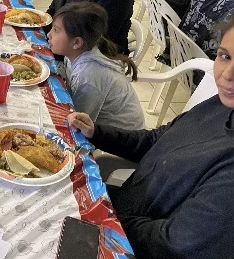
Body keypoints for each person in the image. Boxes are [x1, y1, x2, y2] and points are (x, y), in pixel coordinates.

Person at [68, 18, 234, 258]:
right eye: (225, 56)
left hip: (128, 243)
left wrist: (100, 219)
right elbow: (157, 140)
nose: (227, 74)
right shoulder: (221, 104)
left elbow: (174, 244)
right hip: (120, 210)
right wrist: (97, 133)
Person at [49, 2, 144, 130]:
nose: (49, 35)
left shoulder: (88, 76)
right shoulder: (77, 52)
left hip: (119, 138)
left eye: (56, 30)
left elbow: (78, 124)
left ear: (76, 42)